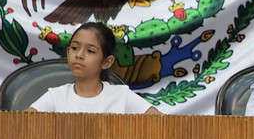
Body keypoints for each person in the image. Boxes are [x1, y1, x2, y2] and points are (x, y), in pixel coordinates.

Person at [26, 22, 161, 114]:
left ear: (107, 62)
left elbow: (162, 124)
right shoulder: (55, 96)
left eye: (90, 51)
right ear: (67, 52)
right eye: (74, 48)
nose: (79, 55)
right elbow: (21, 125)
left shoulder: (122, 96)